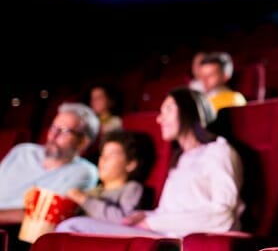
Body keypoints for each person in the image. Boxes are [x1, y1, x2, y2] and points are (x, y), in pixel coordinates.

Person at [53, 87, 244, 237]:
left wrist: (153, 223)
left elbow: (222, 216)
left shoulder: (218, 151)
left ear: (189, 110)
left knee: (72, 227)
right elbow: (172, 212)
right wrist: (149, 216)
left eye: (168, 110)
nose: (160, 119)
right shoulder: (181, 158)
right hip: (163, 232)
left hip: (184, 239)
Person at [0, 102, 99, 223]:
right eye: (53, 127)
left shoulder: (84, 172)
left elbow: (45, 215)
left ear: (83, 142)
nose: (54, 134)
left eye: (64, 131)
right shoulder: (23, 151)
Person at [59, 129, 155, 224]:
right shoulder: (95, 190)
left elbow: (124, 220)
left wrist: (83, 199)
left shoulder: (132, 188)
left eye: (111, 155)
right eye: (102, 155)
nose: (103, 160)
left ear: (130, 164)